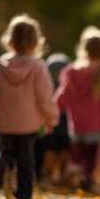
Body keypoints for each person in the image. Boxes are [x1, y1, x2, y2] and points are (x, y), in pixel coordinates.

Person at [0, 14, 59, 199]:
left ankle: (4, 160)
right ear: (36, 42)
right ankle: (24, 194)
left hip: (5, 123)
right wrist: (51, 119)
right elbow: (45, 98)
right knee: (26, 161)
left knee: (9, 151)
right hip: (28, 125)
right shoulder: (38, 68)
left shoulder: (1, 65)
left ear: (10, 40)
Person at [55, 26, 100, 192]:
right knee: (92, 155)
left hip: (76, 123)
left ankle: (74, 167)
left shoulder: (71, 71)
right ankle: (87, 178)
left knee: (77, 151)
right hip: (95, 124)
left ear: (83, 48)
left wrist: (53, 110)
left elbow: (62, 95)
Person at [34, 53, 71, 184]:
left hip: (50, 123)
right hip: (67, 123)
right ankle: (62, 174)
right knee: (65, 149)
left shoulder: (46, 86)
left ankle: (48, 173)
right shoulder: (69, 86)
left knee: (50, 149)